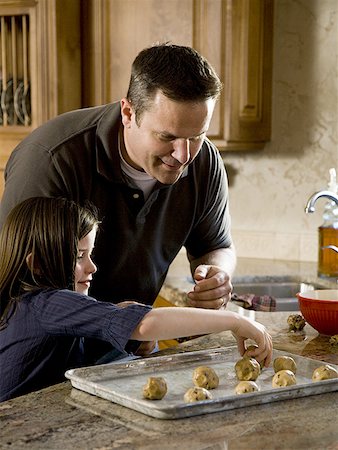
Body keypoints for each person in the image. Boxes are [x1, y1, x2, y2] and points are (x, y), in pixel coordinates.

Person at [0, 43, 235, 314]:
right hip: (55, 350)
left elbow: (216, 245)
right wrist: (121, 326)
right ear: (128, 113)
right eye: (167, 137)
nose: (184, 155)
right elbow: (18, 290)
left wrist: (218, 275)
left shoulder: (205, 161)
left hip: (133, 338)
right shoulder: (50, 160)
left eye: (196, 136)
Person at [0, 197, 272, 402]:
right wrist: (234, 321)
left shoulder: (31, 305)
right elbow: (146, 324)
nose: (92, 267)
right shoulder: (46, 304)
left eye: (90, 254)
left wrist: (129, 338)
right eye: (78, 256)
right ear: (37, 265)